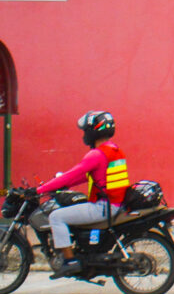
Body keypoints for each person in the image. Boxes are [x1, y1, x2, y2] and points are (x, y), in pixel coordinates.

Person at [35, 111, 132, 276]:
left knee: (56, 217)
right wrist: (60, 184)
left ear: (94, 130)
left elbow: (72, 174)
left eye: (85, 130)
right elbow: (84, 176)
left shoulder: (96, 154)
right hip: (115, 204)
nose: (84, 134)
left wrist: (39, 190)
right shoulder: (115, 151)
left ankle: (69, 260)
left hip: (102, 207)